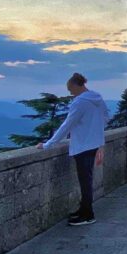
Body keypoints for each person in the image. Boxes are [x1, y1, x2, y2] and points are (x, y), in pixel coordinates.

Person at [39, 73, 109, 226]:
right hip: (93, 144)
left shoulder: (80, 102)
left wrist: (47, 144)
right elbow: (105, 118)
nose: (70, 92)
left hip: (83, 146)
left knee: (85, 181)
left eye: (70, 88)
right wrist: (95, 133)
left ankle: (88, 215)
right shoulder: (97, 98)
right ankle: (83, 210)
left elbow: (67, 126)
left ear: (77, 85)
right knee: (86, 180)